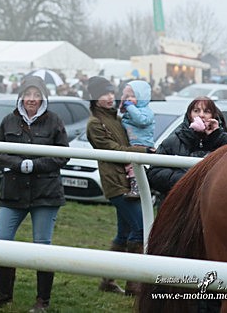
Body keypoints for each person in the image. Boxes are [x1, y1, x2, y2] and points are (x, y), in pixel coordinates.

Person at [0, 76, 68, 312]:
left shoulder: (54, 121)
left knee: (41, 246)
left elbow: (62, 155)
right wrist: (20, 164)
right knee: (0, 242)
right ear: (21, 96)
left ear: (42, 97)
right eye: (27, 94)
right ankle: (4, 294)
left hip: (46, 193)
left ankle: (43, 300)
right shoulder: (9, 121)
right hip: (13, 192)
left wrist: (35, 165)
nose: (31, 99)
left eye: (36, 94)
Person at [85, 76, 153, 296]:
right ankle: (134, 285)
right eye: (104, 94)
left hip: (128, 179)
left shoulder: (117, 116)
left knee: (123, 233)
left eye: (111, 92)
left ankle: (108, 280)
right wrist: (143, 152)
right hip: (116, 183)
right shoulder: (95, 123)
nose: (109, 97)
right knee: (140, 228)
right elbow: (112, 149)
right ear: (94, 98)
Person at [147, 96, 227, 204]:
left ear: (213, 116)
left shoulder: (221, 139)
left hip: (213, 205)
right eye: (196, 111)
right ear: (189, 115)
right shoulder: (172, 141)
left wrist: (218, 135)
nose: (201, 115)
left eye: (207, 111)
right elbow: (154, 173)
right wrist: (187, 180)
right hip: (179, 205)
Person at [119, 80, 155, 199]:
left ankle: (137, 188)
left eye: (133, 96)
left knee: (133, 167)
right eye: (127, 96)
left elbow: (142, 120)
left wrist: (130, 107)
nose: (129, 99)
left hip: (142, 144)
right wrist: (123, 106)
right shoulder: (131, 110)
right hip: (133, 143)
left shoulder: (146, 111)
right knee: (131, 165)